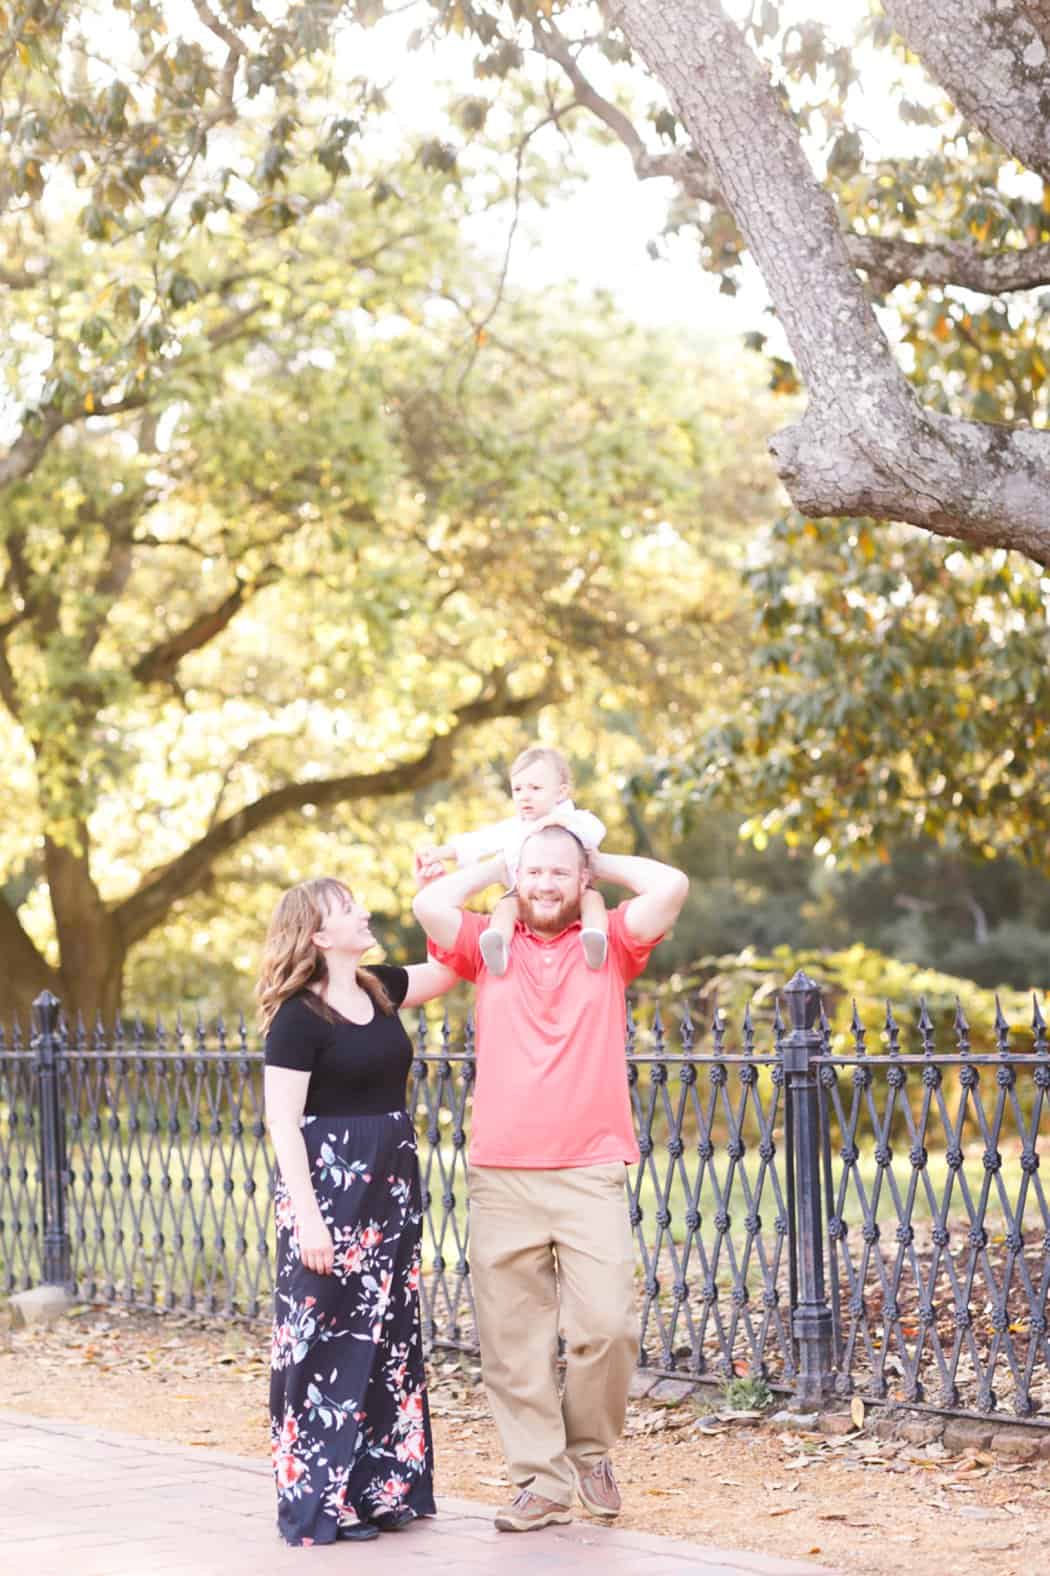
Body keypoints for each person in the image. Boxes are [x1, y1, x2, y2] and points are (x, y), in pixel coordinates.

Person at [412, 828, 689, 1533]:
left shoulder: (613, 945)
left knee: (608, 1327)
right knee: (513, 1343)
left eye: (559, 873)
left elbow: (671, 887)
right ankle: (540, 1480)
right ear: (515, 877)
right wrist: (495, 864)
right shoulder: (485, 946)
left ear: (581, 880)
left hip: (589, 1168)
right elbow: (431, 906)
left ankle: (590, 1451)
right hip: (500, 1173)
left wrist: (597, 862)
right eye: (532, 872)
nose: (544, 884)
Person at [257, 876, 458, 1547]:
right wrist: (309, 1221)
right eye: (351, 908)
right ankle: (323, 1497)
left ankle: (383, 1487)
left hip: (390, 1191)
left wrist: (444, 889)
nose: (365, 912)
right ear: (318, 933)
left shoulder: (378, 987)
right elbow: (282, 1123)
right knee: (323, 1346)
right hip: (330, 1195)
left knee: (389, 1340)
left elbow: (454, 966)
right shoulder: (296, 1018)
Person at [415, 744, 608, 976]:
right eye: (517, 789)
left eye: (535, 788)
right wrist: (442, 852)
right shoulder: (515, 826)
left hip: (574, 892)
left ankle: (595, 939)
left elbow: (597, 830)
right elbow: (479, 841)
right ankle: (498, 945)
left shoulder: (574, 819)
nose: (524, 796)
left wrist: (562, 823)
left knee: (593, 900)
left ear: (560, 792)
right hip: (522, 893)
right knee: (505, 908)